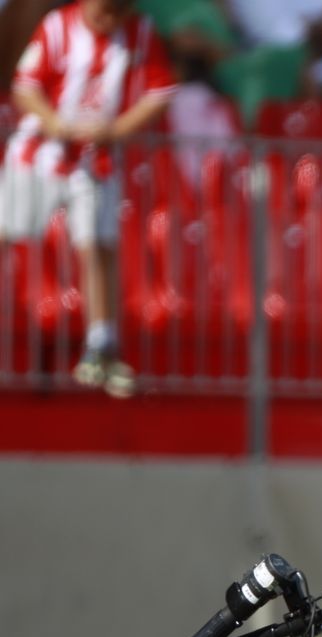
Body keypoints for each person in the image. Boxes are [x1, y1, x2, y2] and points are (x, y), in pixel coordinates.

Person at [3, 0, 177, 399]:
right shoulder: (57, 26)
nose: (108, 21)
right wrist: (56, 125)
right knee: (6, 233)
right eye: (104, 11)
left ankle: (101, 346)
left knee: (97, 247)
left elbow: (160, 92)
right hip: (39, 156)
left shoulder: (139, 33)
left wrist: (116, 130)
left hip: (95, 162)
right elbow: (25, 87)